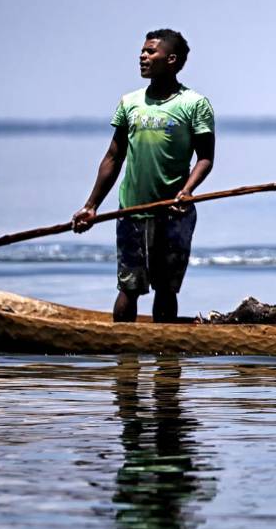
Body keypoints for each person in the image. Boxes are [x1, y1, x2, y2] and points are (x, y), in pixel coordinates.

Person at [72, 28, 215, 323]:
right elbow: (113, 157)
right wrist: (91, 206)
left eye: (151, 51)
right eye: (143, 51)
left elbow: (205, 158)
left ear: (171, 59)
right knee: (129, 287)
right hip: (132, 210)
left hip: (173, 212)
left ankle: (165, 362)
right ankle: (124, 362)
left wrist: (186, 191)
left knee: (166, 289)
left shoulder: (194, 104)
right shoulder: (130, 102)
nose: (143, 56)